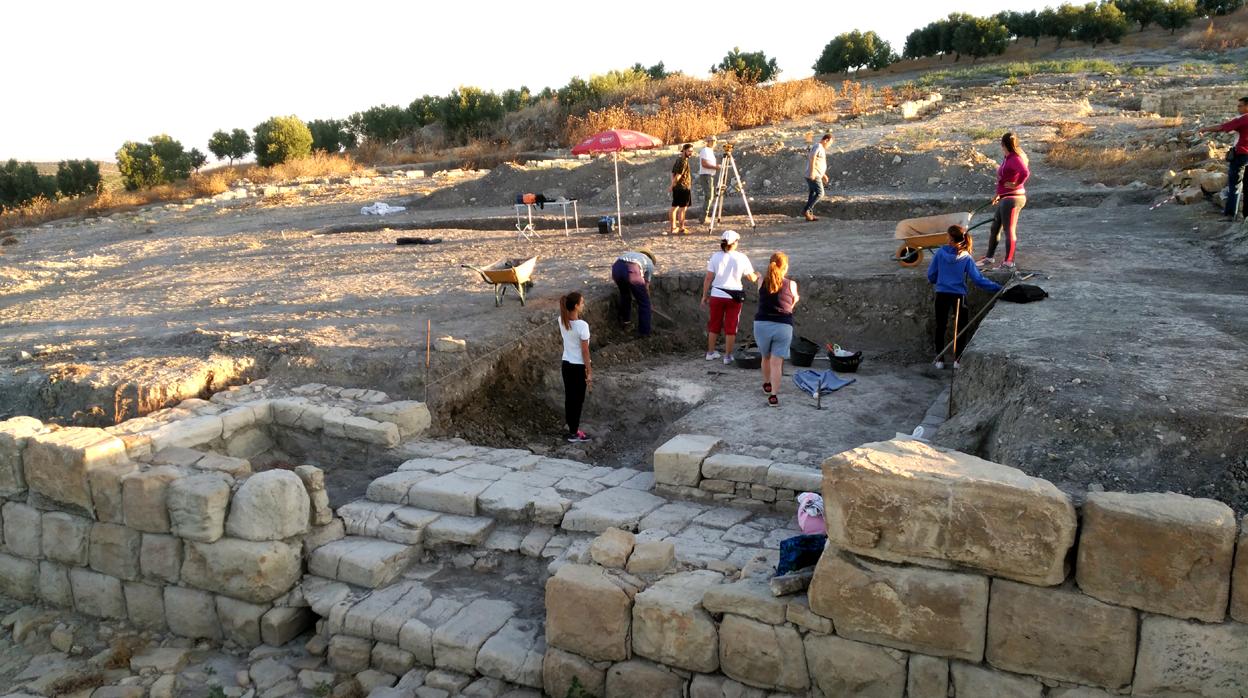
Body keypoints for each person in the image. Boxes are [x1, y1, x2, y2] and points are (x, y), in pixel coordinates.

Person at [928, 225, 1002, 370]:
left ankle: (939, 359)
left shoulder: (940, 253)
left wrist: (941, 280)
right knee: (961, 327)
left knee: (940, 326)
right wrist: (998, 288)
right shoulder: (966, 257)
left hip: (942, 294)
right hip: (959, 296)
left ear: (950, 238)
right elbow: (978, 279)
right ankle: (958, 359)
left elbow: (931, 275)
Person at [702, 230, 759, 364]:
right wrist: (758, 275)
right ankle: (727, 356)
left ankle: (710, 352)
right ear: (734, 243)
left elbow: (708, 278)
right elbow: (751, 278)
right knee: (731, 326)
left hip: (717, 294)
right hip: (734, 296)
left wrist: (704, 295)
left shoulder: (715, 256)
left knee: (714, 324)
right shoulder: (742, 257)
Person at [753, 251, 800, 407]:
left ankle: (767, 384)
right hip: (783, 326)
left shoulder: (761, 281)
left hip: (762, 325)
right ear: (785, 267)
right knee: (776, 363)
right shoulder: (792, 284)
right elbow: (791, 304)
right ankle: (773, 396)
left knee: (765, 357)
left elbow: (763, 297)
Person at [979, 132, 1030, 270]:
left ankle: (1009, 262)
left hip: (1013, 199)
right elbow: (1003, 179)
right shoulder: (1007, 158)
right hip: (1005, 197)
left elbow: (1025, 172)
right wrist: (998, 194)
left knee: (1009, 230)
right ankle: (989, 258)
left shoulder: (1015, 158)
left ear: (1002, 144)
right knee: (995, 227)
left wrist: (1016, 184)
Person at [1197, 96, 1248, 222]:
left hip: (1241, 155)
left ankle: (1230, 215)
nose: (1238, 108)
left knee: (1234, 186)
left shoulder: (1244, 119)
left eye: (1240, 105)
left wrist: (1205, 129)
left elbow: (1222, 127)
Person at [558, 292, 592, 442]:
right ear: (576, 306)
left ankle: (572, 428)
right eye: (582, 302)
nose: (583, 304)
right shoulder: (582, 326)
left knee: (569, 398)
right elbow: (585, 351)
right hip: (578, 367)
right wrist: (589, 371)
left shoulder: (561, 320)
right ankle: (574, 433)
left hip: (566, 364)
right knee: (577, 400)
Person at [611, 248, 657, 336]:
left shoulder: (629, 254)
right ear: (650, 258)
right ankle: (644, 332)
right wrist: (647, 301)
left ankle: (626, 322)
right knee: (644, 304)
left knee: (625, 295)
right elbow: (645, 287)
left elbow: (619, 269)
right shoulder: (650, 264)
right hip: (633, 270)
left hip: (616, 269)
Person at [802, 134, 832, 222]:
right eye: (830, 143)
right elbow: (812, 157)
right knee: (820, 193)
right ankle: (806, 210)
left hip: (816, 174)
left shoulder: (820, 148)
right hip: (814, 175)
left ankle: (809, 214)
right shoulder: (818, 146)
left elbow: (818, 162)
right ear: (826, 140)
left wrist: (824, 175)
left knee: (812, 193)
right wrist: (812, 172)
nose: (829, 145)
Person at [668, 143, 694, 234]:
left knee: (674, 208)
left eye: (691, 151)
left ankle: (673, 228)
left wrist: (673, 184)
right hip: (683, 187)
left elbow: (672, 173)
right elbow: (678, 175)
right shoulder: (683, 161)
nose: (691, 153)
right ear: (684, 150)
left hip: (678, 187)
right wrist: (672, 185)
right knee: (682, 209)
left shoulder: (678, 159)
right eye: (689, 151)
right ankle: (681, 228)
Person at [698, 135, 720, 225]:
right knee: (709, 196)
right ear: (708, 141)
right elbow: (704, 164)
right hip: (706, 175)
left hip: (709, 175)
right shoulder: (705, 150)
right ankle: (703, 217)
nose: (714, 142)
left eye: (715, 141)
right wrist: (715, 167)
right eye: (712, 140)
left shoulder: (710, 151)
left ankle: (704, 216)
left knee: (710, 196)